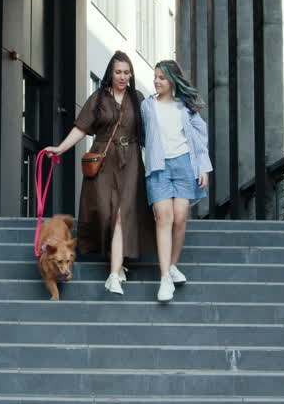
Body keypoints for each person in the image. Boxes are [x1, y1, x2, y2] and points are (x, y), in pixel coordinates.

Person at [43, 51, 153, 295]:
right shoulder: (99, 98)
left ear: (131, 74)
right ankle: (116, 260)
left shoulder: (138, 98)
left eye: (126, 72)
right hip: (103, 158)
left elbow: (155, 129)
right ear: (110, 73)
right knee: (105, 212)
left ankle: (114, 272)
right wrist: (60, 148)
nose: (122, 77)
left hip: (132, 159)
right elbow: (81, 128)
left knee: (123, 215)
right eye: (118, 72)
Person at [141, 59, 212, 303]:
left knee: (180, 217)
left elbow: (200, 139)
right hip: (159, 167)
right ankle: (164, 278)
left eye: (161, 77)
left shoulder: (186, 107)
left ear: (172, 80)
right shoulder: (147, 106)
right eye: (155, 77)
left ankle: (172, 266)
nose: (156, 81)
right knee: (164, 217)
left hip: (184, 164)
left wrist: (203, 168)